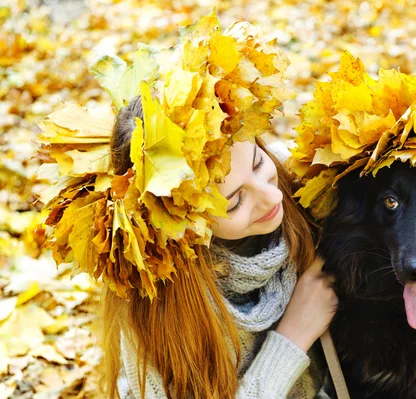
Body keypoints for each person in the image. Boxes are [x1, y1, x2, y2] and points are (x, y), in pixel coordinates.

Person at [37, 15, 337, 399]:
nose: (272, 197)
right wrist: (293, 337)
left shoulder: (297, 182)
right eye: (234, 201)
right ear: (183, 222)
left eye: (259, 164)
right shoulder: (160, 305)